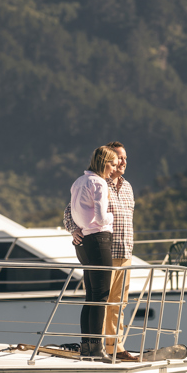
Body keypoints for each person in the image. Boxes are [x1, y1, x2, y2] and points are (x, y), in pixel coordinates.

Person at [64, 141, 136, 360]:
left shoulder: (127, 187)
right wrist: (75, 230)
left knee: (119, 304)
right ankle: (99, 347)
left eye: (124, 158)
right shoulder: (98, 183)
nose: (122, 162)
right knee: (101, 298)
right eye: (118, 159)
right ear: (107, 161)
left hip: (125, 250)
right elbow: (70, 211)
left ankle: (117, 348)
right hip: (104, 249)